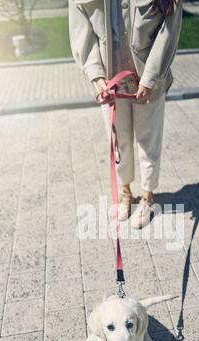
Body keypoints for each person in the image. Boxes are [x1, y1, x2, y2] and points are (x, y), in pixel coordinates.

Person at [69, 0, 183, 228]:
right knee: (118, 141)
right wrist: (95, 74)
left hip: (151, 79)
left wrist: (151, 77)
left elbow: (170, 30)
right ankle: (125, 193)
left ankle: (148, 198)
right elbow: (80, 28)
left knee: (148, 141)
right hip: (110, 81)